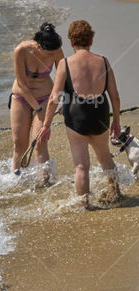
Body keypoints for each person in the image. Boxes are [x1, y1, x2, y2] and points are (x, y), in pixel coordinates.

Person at [40, 20, 121, 208]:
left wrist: (46, 124)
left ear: (71, 41)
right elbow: (114, 96)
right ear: (91, 40)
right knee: (106, 159)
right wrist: (116, 120)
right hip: (100, 117)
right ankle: (116, 195)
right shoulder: (103, 61)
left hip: (76, 118)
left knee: (81, 166)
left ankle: (84, 205)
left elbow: (54, 98)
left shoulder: (65, 63)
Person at [9, 23, 64, 175]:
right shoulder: (21, 50)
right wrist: (37, 109)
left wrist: (64, 99)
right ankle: (17, 180)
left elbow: (63, 77)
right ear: (38, 46)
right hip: (21, 97)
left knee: (40, 143)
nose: (51, 55)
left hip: (45, 97)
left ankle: (44, 181)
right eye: (48, 53)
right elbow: (21, 83)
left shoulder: (57, 51)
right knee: (20, 143)